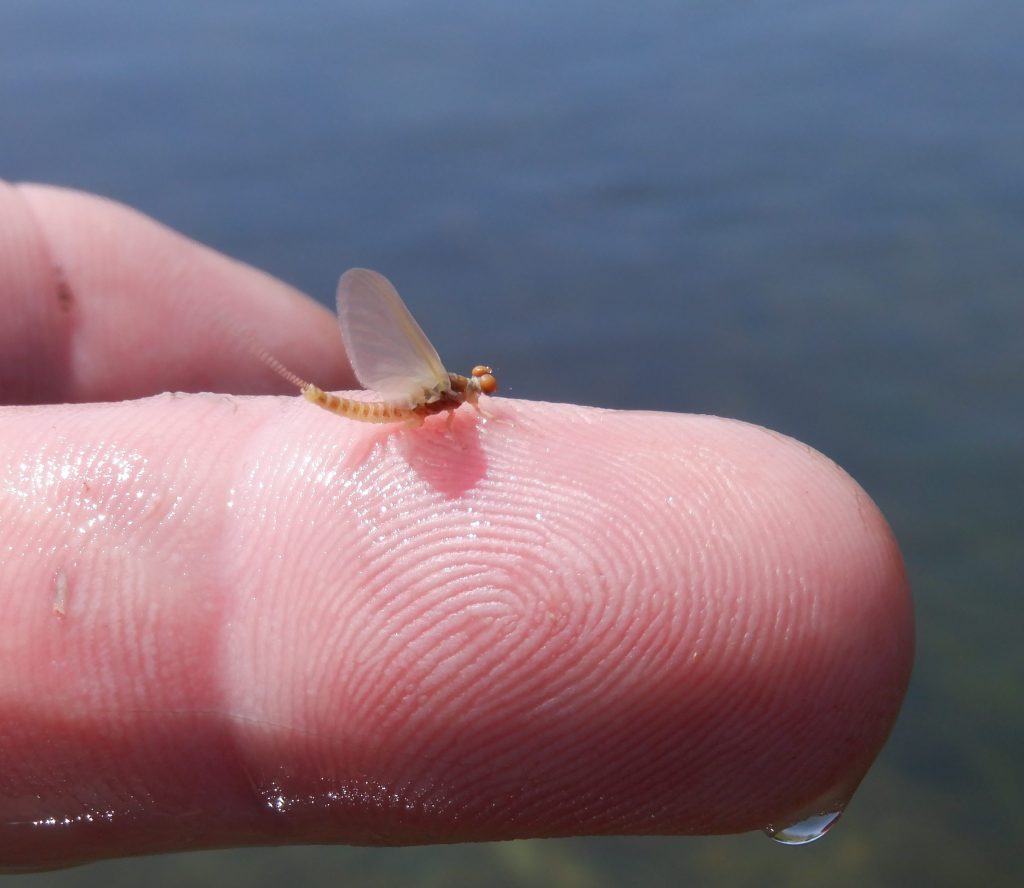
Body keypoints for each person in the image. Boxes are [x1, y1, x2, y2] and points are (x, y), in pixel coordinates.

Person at [0, 183, 914, 870]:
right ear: (462, 388)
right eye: (474, 386)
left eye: (473, 388)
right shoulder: (443, 408)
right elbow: (447, 449)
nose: (477, 392)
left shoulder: (444, 403)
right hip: (370, 425)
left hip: (374, 423)